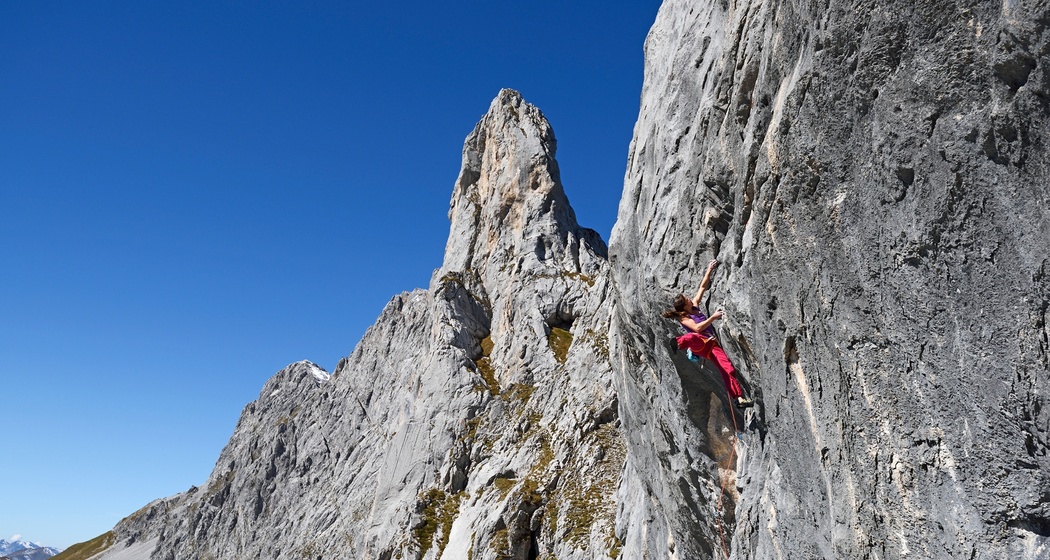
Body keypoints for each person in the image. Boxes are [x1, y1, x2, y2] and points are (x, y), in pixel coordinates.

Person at [663, 259, 754, 409]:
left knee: (727, 368)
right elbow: (698, 328)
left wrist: (709, 270)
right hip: (701, 344)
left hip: (712, 346)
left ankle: (738, 398)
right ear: (685, 305)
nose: (689, 298)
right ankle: (678, 343)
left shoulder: (695, 306)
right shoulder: (684, 317)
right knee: (693, 337)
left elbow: (702, 287)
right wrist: (713, 317)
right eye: (687, 299)